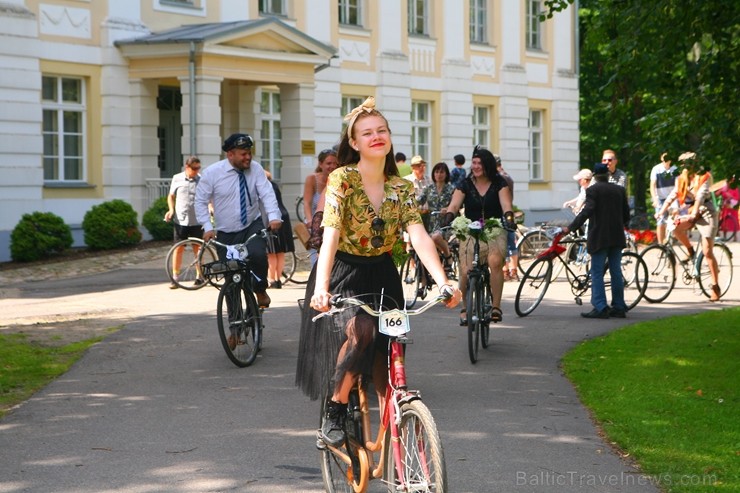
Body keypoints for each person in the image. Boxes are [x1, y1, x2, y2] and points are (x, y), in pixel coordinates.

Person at [295, 97, 461, 447]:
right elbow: (331, 236)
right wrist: (321, 287)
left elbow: (417, 235)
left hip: (383, 274)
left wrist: (444, 281)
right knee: (363, 331)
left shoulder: (401, 187)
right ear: (354, 143)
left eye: (381, 130)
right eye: (366, 133)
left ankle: (399, 418)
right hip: (343, 272)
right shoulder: (343, 179)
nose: (376, 137)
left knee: (390, 350)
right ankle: (336, 409)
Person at [194, 133, 282, 308]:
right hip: (226, 231)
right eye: (243, 153)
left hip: (251, 224)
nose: (248, 157)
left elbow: (266, 193)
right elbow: (200, 201)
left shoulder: (255, 169)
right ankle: (235, 329)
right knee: (231, 279)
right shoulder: (212, 173)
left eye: (249, 152)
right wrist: (207, 227)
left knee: (258, 255)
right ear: (230, 154)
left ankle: (260, 290)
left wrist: (274, 217)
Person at [444, 145, 514, 325]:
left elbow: (506, 205)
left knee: (495, 261)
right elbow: (454, 205)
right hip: (470, 229)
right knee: (466, 270)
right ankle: (465, 309)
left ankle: (496, 307)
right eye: (473, 163)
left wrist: (509, 217)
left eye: (479, 163)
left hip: (494, 228)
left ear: (488, 165)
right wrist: (449, 216)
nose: (475, 166)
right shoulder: (465, 184)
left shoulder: (499, 183)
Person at [562, 163, 631, 318]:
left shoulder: (593, 190)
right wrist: (622, 224)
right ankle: (619, 306)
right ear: (607, 175)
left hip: (600, 237)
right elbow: (626, 215)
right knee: (616, 272)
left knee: (597, 272)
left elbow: (587, 211)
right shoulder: (619, 190)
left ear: (594, 176)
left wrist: (571, 227)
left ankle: (600, 307)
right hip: (616, 236)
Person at [655, 152, 721, 301]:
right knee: (675, 227)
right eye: (683, 164)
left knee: (707, 251)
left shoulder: (704, 177)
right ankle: (690, 251)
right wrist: (662, 211)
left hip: (706, 214)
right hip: (692, 212)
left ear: (695, 164)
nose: (685, 167)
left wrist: (694, 212)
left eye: (688, 164)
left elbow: (700, 197)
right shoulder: (682, 178)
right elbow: (673, 194)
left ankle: (715, 286)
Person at [164, 156, 206, 289]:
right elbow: (171, 196)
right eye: (194, 168)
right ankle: (175, 277)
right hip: (181, 219)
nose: (197, 171)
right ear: (187, 167)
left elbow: (207, 197)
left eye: (198, 168)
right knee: (178, 248)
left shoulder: (201, 180)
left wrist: (210, 208)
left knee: (198, 248)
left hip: (197, 220)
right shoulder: (177, 178)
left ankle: (200, 276)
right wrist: (171, 210)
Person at [303, 148, 338, 265]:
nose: (332, 166)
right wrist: (309, 220)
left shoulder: (339, 180)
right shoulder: (312, 179)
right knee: (316, 261)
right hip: (316, 226)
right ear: (321, 164)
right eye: (329, 163)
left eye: (335, 163)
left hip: (331, 226)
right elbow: (307, 202)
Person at [418, 161, 455, 262]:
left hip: (445, 223)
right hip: (431, 223)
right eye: (437, 172)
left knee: (436, 237)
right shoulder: (428, 188)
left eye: (442, 172)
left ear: (446, 174)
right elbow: (418, 201)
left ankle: (448, 255)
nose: (439, 175)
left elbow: (458, 205)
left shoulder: (451, 189)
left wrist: (448, 208)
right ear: (433, 174)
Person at [264, 171, 295, 289]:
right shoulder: (275, 185)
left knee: (271, 252)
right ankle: (278, 279)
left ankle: (271, 280)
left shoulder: (265, 186)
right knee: (280, 251)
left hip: (272, 218)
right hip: (283, 216)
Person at [496, 155, 519, 281]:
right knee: (511, 243)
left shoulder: (499, 178)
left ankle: (505, 271)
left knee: (503, 243)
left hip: (501, 212)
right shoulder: (507, 176)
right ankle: (513, 270)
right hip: (509, 212)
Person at [650, 152, 678, 245]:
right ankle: (661, 244)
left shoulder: (675, 169)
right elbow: (652, 185)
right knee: (660, 221)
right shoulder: (656, 169)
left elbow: (678, 185)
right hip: (661, 198)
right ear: (661, 158)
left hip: (673, 197)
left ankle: (672, 236)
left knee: (675, 214)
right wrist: (655, 199)